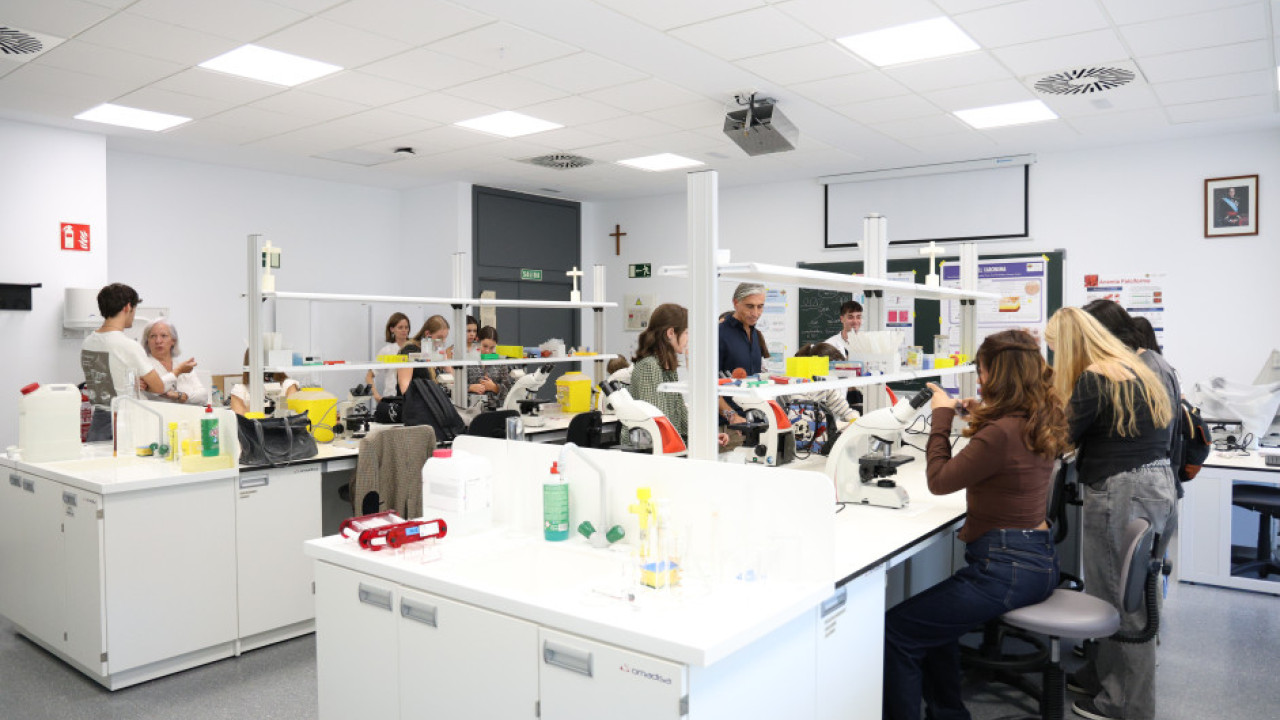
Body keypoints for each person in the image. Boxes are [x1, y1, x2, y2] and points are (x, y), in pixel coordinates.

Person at [883, 329, 1070, 720]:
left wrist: (941, 417)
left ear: (998, 374)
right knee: (935, 625)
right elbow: (1004, 443)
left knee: (898, 631)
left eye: (981, 371)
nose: (980, 379)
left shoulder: (1000, 433)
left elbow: (939, 480)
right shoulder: (1040, 416)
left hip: (1005, 569)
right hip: (1037, 559)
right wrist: (981, 413)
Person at [1044, 307, 1176, 720]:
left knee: (1119, 600)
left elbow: (1058, 440)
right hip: (1155, 484)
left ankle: (1125, 705)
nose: (1054, 358)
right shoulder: (1138, 368)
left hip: (1121, 491)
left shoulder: (1094, 377)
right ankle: (1107, 680)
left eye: (1055, 349)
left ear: (1071, 345)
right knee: (1135, 595)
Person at [630, 303, 729, 447]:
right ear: (671, 333)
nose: (689, 338)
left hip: (667, 445)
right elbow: (659, 423)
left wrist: (706, 436)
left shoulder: (667, 366)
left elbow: (680, 413)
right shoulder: (649, 366)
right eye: (687, 332)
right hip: (650, 448)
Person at [81, 283, 166, 441]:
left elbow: (110, 375)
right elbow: (159, 387)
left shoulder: (87, 342)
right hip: (123, 424)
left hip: (98, 425)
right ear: (127, 307)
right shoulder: (127, 346)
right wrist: (141, 383)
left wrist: (134, 381)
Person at [718, 282, 768, 427]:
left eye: (760, 306)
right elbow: (706, 386)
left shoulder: (755, 334)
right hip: (728, 426)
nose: (756, 313)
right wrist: (732, 416)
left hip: (754, 420)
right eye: (750, 306)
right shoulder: (719, 334)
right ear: (736, 303)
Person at [140, 318, 208, 405]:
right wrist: (177, 371)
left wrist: (182, 396)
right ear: (147, 342)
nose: (158, 341)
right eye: (153, 336)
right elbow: (157, 388)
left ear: (173, 341)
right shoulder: (143, 366)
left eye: (163, 336)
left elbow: (203, 396)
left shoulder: (183, 366)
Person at [789, 343, 857, 423]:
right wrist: (839, 426)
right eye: (834, 369)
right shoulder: (800, 387)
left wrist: (856, 421)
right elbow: (802, 424)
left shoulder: (825, 386)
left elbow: (845, 411)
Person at [229, 349, 299, 415]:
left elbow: (291, 412)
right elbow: (240, 419)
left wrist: (280, 403)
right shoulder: (239, 390)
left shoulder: (287, 385)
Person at [463, 326, 516, 407]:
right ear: (478, 341)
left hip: (494, 408)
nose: (487, 351)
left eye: (492, 348)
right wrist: (470, 387)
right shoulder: (468, 360)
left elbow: (509, 391)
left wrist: (494, 387)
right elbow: (455, 387)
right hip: (470, 408)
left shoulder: (500, 363)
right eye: (485, 346)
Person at [367, 312, 410, 403]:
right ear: (392, 329)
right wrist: (376, 396)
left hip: (410, 397)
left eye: (406, 327)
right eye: (400, 327)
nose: (404, 330)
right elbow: (369, 376)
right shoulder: (386, 351)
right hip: (391, 397)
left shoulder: (414, 349)